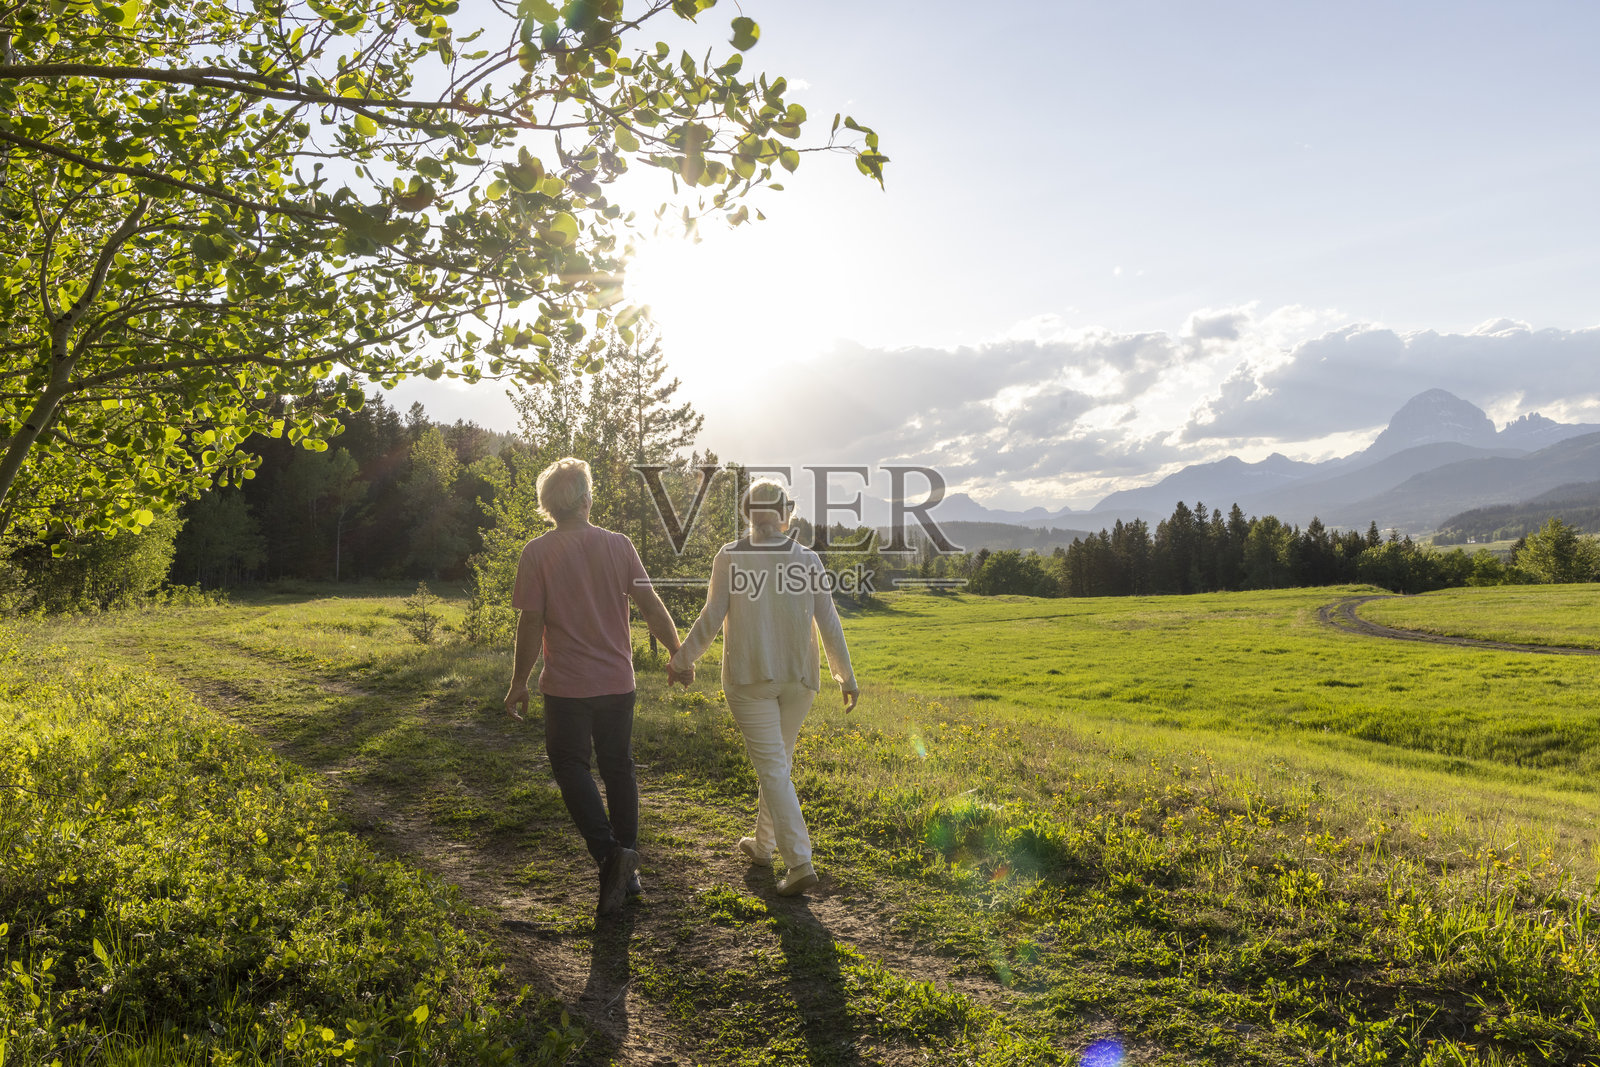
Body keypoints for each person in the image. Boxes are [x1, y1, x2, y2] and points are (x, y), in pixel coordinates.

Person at [504, 457, 686, 916]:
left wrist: (519, 682)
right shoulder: (618, 545)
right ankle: (629, 866)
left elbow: (531, 623)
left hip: (566, 687)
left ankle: (610, 857)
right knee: (618, 768)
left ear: (548, 506)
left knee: (570, 767)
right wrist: (677, 652)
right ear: (586, 499)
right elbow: (650, 602)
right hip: (615, 684)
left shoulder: (536, 552)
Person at [669, 479, 859, 896]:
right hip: (800, 680)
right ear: (785, 513)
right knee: (777, 764)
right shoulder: (808, 559)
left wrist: (682, 660)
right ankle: (763, 845)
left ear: (747, 514)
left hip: (749, 678)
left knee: (772, 766)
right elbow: (829, 621)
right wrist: (846, 677)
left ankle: (799, 862)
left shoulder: (730, 556)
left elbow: (712, 616)